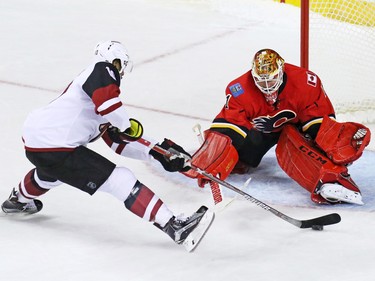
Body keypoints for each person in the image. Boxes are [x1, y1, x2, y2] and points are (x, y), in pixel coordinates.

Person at [1, 40, 214, 250]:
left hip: (37, 141)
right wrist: (126, 124)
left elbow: (118, 143)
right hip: (54, 143)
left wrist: (158, 152)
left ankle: (17, 199)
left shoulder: (92, 98)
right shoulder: (102, 69)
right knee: (120, 179)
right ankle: (173, 225)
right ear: (114, 59)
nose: (120, 74)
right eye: (120, 66)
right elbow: (113, 110)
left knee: (52, 173)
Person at [185, 48, 371, 205]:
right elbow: (229, 127)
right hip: (260, 132)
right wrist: (211, 156)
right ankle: (223, 160)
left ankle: (333, 180)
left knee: (306, 146)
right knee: (240, 161)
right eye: (261, 80)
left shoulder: (305, 82)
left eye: (272, 79)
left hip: (295, 129)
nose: (267, 86)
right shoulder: (239, 89)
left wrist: (328, 145)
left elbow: (318, 123)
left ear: (281, 71)